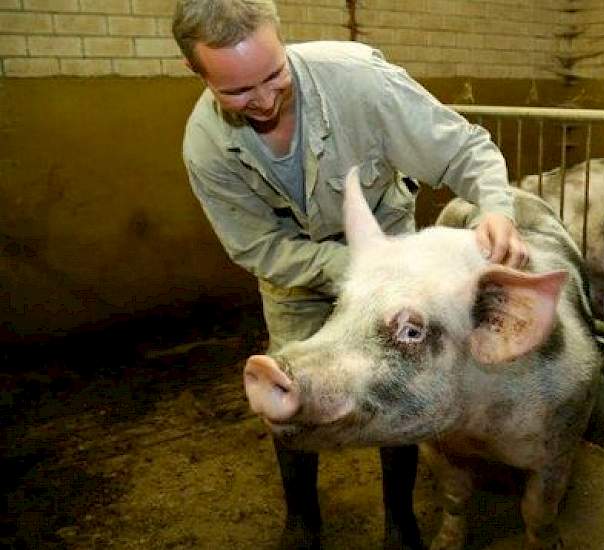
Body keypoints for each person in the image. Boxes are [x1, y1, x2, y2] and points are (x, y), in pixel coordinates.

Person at [171, 0, 528, 547]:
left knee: (398, 373)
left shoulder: (359, 82)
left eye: (274, 75)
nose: (264, 101)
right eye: (237, 92)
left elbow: (462, 149)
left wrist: (496, 205)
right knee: (288, 384)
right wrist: (357, 270)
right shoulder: (206, 146)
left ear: (282, 41)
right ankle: (302, 519)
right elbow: (258, 246)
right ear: (197, 74)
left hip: (385, 243)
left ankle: (399, 518)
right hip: (297, 275)